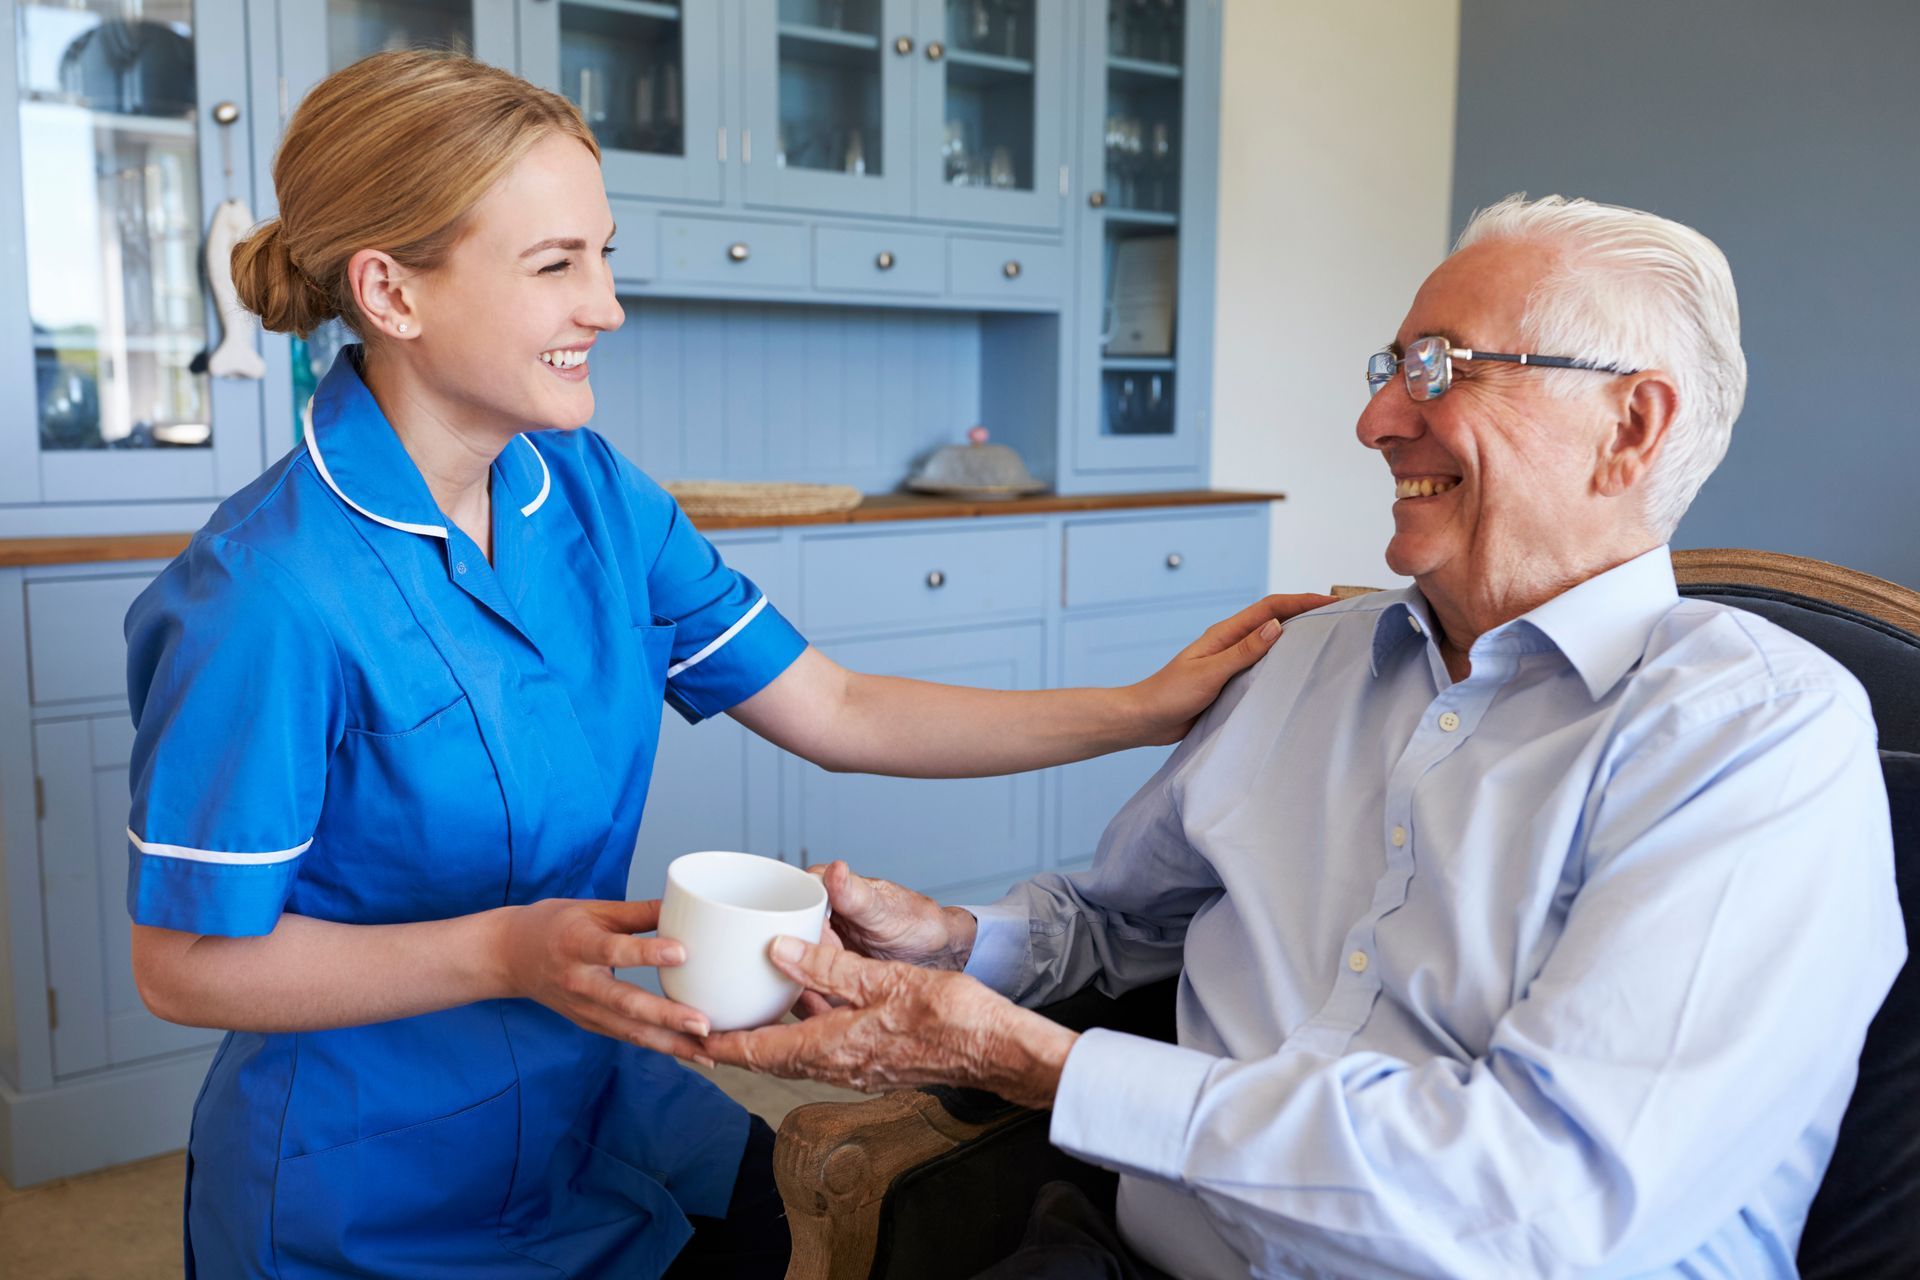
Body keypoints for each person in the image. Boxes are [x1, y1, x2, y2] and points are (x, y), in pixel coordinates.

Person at [124, 50, 1324, 1279]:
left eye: (604, 254)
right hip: (373, 1179)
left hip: (608, 1101)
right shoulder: (265, 592)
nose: (608, 306)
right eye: (557, 265)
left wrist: (1140, 709)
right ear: (391, 291)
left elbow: (841, 704)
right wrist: (502, 950)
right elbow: (183, 963)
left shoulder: (593, 499)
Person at [706, 195, 1907, 1278]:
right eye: (1392, 364)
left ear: (1631, 426)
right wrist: (959, 941)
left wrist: (1046, 1065)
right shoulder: (1316, 656)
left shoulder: (1751, 734)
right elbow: (1133, 920)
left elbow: (1545, 1210)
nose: (1376, 417)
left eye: (1440, 369)